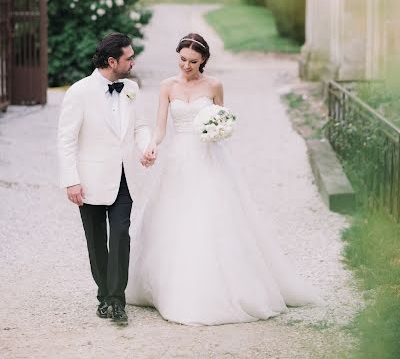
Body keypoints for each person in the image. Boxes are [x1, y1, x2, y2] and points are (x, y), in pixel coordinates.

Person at [126, 33, 321, 326]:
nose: (186, 66)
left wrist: (217, 133)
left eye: (193, 61)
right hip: (179, 160)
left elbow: (223, 121)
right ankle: (169, 286)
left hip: (209, 158)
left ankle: (216, 289)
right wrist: (152, 146)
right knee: (173, 220)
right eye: (182, 59)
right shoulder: (167, 86)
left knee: (213, 218)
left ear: (203, 60)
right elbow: (161, 128)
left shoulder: (214, 85)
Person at [58, 32, 153, 324]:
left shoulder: (131, 88)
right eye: (129, 57)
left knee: (121, 236)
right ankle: (104, 296)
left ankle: (117, 300)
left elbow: (140, 126)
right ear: (112, 61)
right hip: (90, 179)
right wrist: (71, 180)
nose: (133, 61)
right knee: (97, 241)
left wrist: (146, 146)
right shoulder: (79, 92)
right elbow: (66, 140)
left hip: (123, 178)